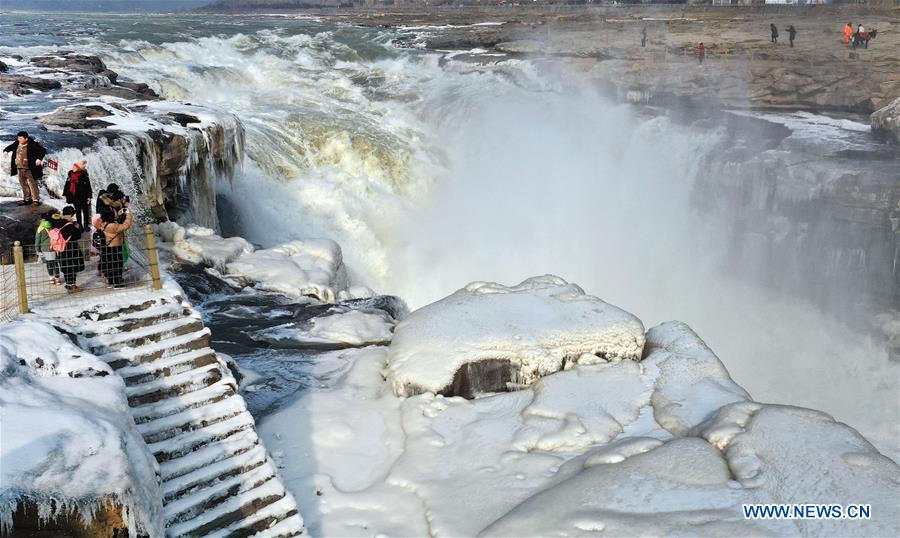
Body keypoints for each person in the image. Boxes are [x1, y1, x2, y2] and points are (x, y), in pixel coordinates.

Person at [2, 131, 47, 206]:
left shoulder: (32, 144)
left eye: (21, 138)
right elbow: (11, 147)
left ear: (26, 138)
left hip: (29, 168)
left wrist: (39, 159)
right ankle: (27, 199)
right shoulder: (17, 143)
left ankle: (36, 200)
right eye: (18, 138)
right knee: (23, 184)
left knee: (32, 184)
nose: (19, 139)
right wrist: (6, 151)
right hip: (20, 168)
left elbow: (42, 150)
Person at [99, 201, 133, 288]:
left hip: (107, 247)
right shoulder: (113, 226)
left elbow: (116, 221)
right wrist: (128, 213)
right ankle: (118, 283)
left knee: (109, 264)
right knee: (117, 264)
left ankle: (110, 282)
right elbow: (126, 225)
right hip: (115, 247)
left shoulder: (103, 223)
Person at [55, 206, 84, 293]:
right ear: (71, 214)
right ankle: (72, 286)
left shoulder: (57, 223)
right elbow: (77, 235)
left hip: (61, 249)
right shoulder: (69, 225)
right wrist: (77, 228)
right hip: (71, 249)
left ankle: (68, 284)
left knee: (66, 267)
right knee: (72, 267)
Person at [63, 160, 93, 228]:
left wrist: (89, 196)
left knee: (86, 212)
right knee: (78, 212)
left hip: (84, 197)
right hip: (74, 197)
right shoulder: (70, 175)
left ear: (78, 169)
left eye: (75, 167)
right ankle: (80, 225)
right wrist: (64, 195)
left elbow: (88, 187)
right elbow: (67, 185)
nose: (73, 169)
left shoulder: (84, 175)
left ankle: (86, 225)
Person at [34, 210, 60, 286]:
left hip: (45, 248)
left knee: (49, 263)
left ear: (42, 219)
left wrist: (37, 249)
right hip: (55, 246)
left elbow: (37, 240)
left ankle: (51, 278)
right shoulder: (53, 225)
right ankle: (57, 278)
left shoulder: (40, 228)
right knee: (55, 263)